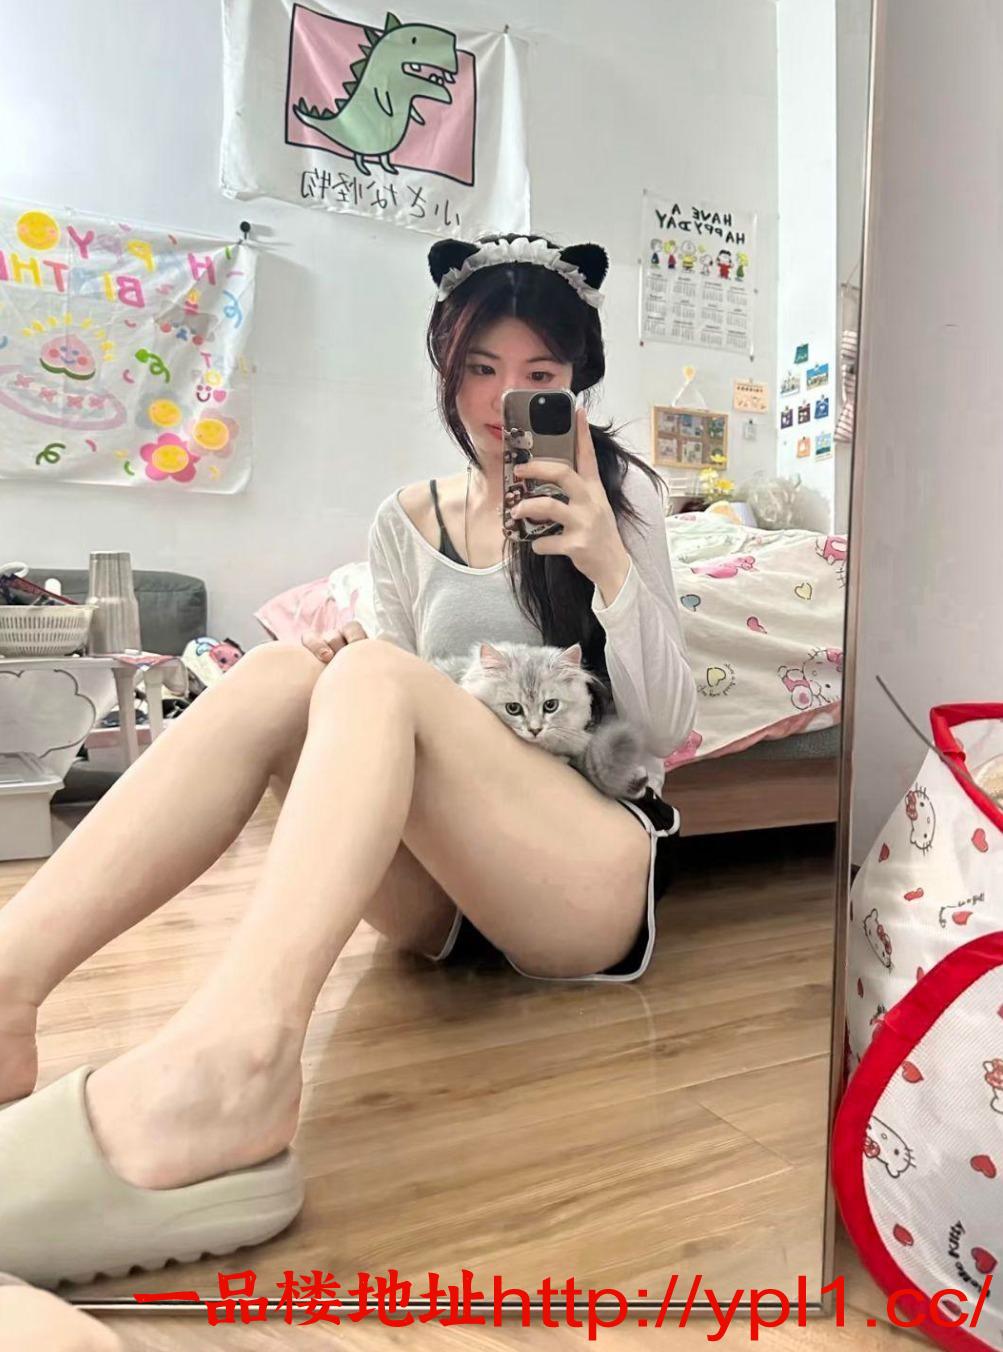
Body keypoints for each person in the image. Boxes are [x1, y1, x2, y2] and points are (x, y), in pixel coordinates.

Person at [0, 233, 697, 1285]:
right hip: (443, 899)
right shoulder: (404, 519)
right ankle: (8, 988)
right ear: (446, 370)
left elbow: (662, 731)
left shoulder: (618, 498)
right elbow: (397, 721)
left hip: (581, 869)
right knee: (290, 671)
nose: (503, 399)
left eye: (539, 374)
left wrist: (607, 563)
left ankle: (235, 1063)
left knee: (371, 673)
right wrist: (346, 668)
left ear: (574, 384)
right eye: (481, 367)